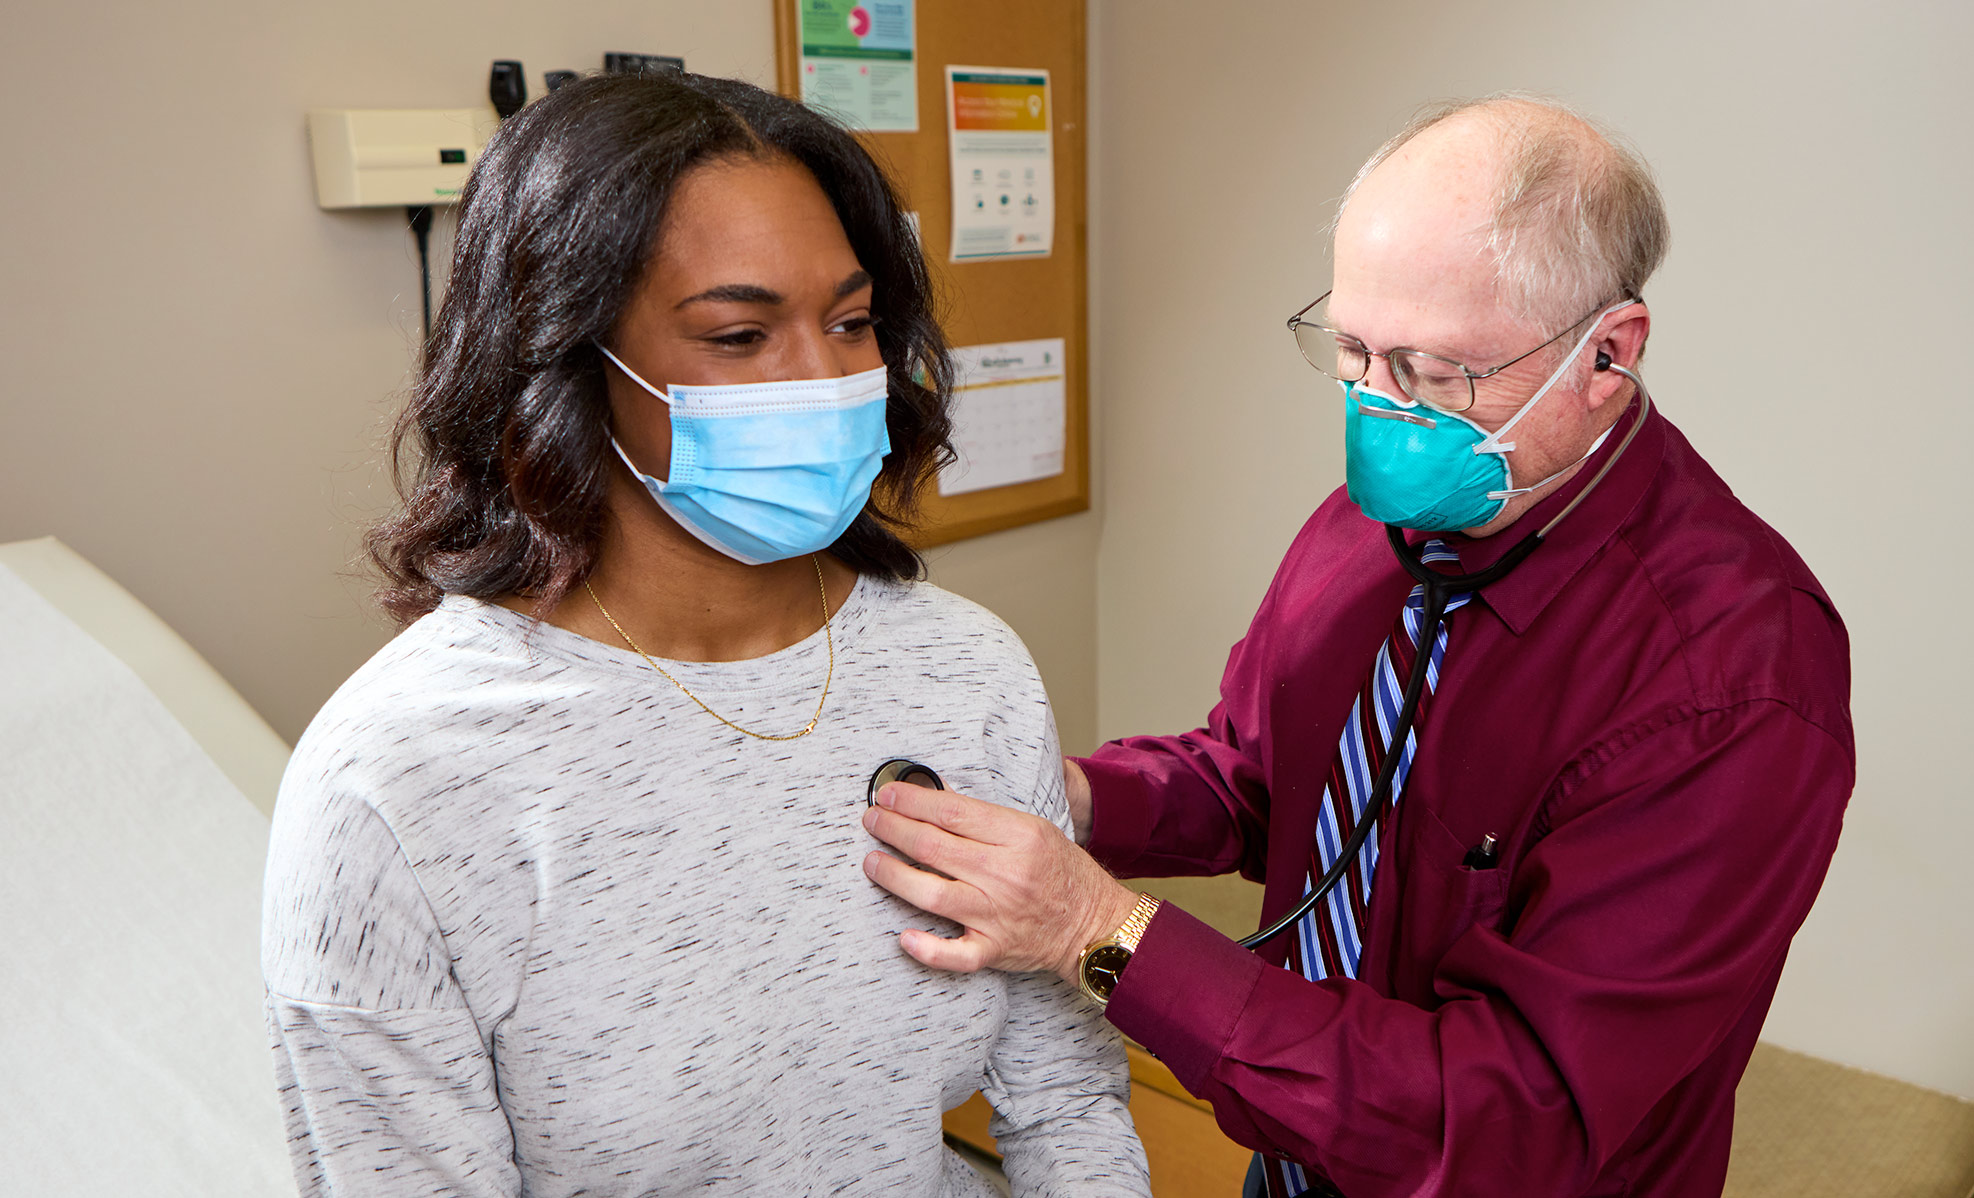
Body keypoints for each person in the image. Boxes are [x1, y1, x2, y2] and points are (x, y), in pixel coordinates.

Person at [861, 94, 1853, 1197]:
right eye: (1349, 350)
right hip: (1293, 1149)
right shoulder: (1378, 522)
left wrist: (1098, 929)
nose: (1377, 408)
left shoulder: (1735, 682)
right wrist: (1072, 798)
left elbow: (1513, 1121)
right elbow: (1259, 777)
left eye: (1430, 371)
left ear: (1606, 355)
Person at [261, 71, 1149, 1198]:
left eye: (851, 322)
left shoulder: (964, 670)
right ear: (567, 362)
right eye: (740, 334)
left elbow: (1065, 1101)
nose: (825, 379)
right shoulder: (398, 781)